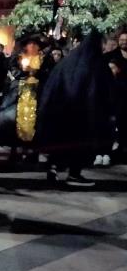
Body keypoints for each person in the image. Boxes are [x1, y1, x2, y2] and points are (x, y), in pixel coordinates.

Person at [36, 31, 111, 186]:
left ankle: (53, 169)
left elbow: (52, 86)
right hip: (82, 115)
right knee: (79, 145)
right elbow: (101, 90)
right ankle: (74, 174)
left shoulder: (67, 61)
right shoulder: (94, 63)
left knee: (60, 143)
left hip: (60, 112)